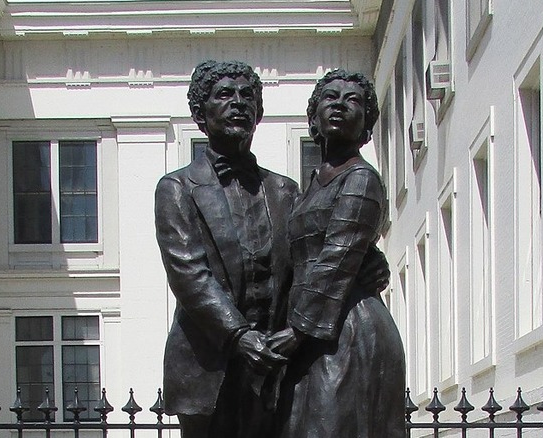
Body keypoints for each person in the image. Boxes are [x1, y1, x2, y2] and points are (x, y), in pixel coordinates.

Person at [154, 61, 390, 438]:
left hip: (275, 365)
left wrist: (370, 257)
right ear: (200, 113)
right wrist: (240, 338)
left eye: (248, 97)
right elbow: (189, 275)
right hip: (210, 363)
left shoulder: (286, 190)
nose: (238, 104)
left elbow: (315, 249)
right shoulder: (177, 188)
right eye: (225, 95)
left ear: (259, 114)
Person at [268, 69, 406, 438]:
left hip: (346, 330)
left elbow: (337, 259)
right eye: (330, 98)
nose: (340, 105)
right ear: (313, 117)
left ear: (366, 127)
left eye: (353, 100)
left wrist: (296, 332)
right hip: (313, 330)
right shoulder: (312, 185)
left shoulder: (361, 178)